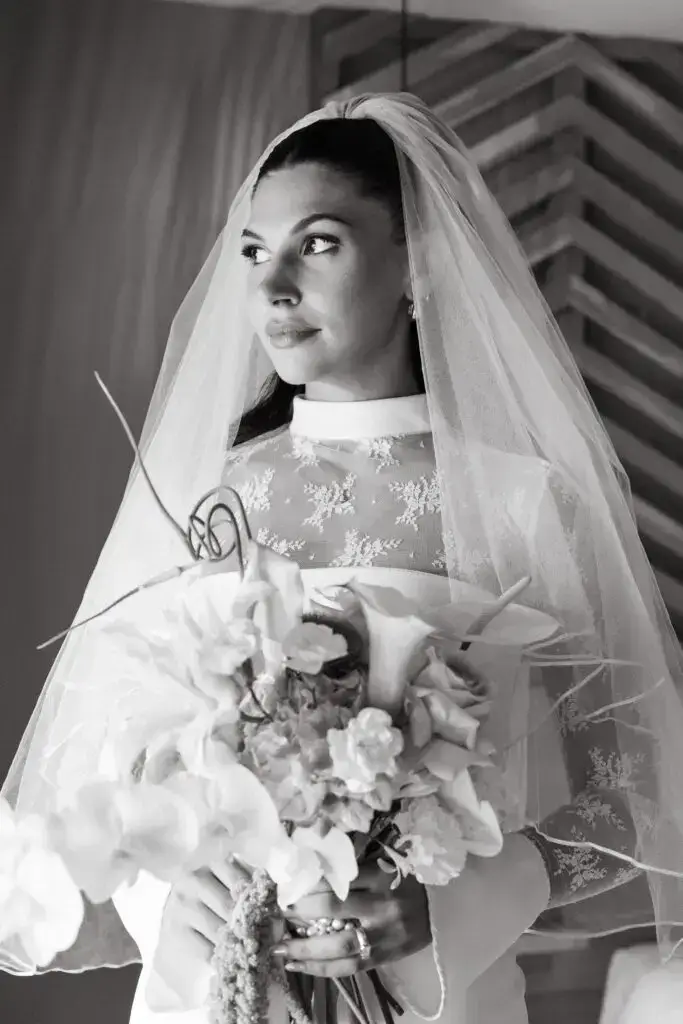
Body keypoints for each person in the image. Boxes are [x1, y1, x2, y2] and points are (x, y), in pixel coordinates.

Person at [2, 93, 683, 1024]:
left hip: (440, 995)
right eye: (253, 252)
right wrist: (168, 893)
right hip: (216, 986)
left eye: (317, 243)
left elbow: (626, 802)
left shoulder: (523, 504)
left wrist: (442, 908)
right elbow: (112, 768)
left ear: (419, 261)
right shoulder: (215, 500)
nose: (273, 284)